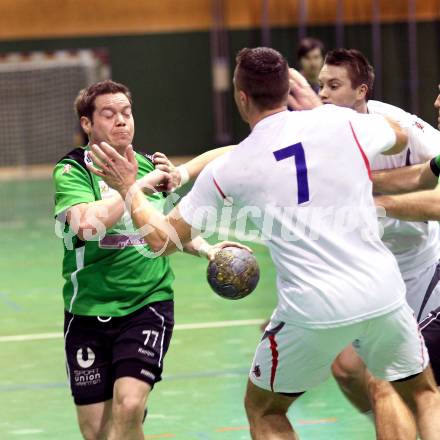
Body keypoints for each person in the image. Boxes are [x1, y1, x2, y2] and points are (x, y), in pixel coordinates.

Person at [87, 48, 440, 440]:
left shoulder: (233, 169)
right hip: (383, 292)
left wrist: (128, 189)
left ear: (241, 97)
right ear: (286, 89)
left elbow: (159, 241)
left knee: (265, 409)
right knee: (425, 393)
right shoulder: (341, 122)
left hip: (312, 307)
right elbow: (401, 137)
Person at [53, 79, 244, 440]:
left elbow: (167, 229)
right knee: (99, 432)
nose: (121, 121)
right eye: (109, 114)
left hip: (147, 303)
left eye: (126, 113)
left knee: (128, 406)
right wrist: (134, 187)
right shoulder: (72, 171)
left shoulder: (151, 167)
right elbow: (86, 227)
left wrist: (207, 249)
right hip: (87, 310)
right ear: (87, 124)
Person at [317, 49, 440, 438]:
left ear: (361, 92)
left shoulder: (402, 128)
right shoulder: (314, 131)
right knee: (347, 370)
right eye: (320, 85)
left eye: (332, 86)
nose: (321, 94)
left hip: (421, 271)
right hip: (369, 274)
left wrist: (377, 200)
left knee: (389, 383)